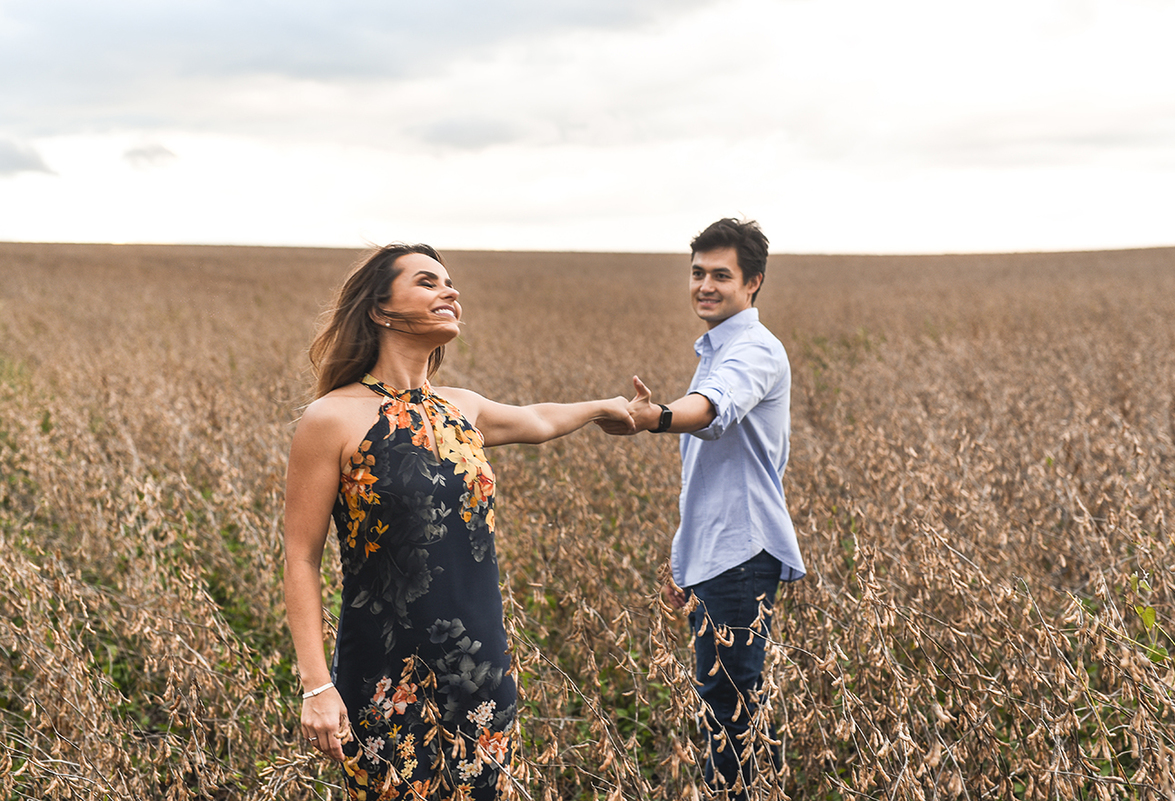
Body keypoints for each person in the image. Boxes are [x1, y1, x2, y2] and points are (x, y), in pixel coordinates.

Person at [283, 243, 634, 801]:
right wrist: (316, 685)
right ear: (380, 310)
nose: (450, 292)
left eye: (450, 283)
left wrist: (604, 407)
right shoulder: (331, 418)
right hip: (384, 670)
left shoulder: (460, 407)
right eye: (428, 282)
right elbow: (301, 556)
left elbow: (539, 419)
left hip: (481, 666)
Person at [604, 218, 806, 799]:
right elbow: (706, 477)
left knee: (731, 707)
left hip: (742, 554)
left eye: (722, 275)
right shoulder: (719, 348)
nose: (705, 286)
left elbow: (712, 411)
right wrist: (683, 560)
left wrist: (656, 416)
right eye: (698, 274)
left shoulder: (754, 350)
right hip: (720, 552)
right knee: (724, 702)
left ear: (754, 284)